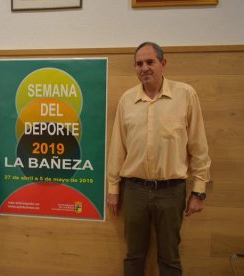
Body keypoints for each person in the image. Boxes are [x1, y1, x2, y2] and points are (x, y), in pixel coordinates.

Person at [106, 42, 211, 276]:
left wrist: (199, 190)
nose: (144, 68)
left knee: (170, 258)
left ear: (163, 64)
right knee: (133, 256)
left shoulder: (185, 95)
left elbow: (199, 146)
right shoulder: (127, 100)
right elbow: (117, 148)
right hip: (134, 191)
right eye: (139, 63)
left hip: (172, 191)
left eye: (150, 62)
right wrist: (113, 188)